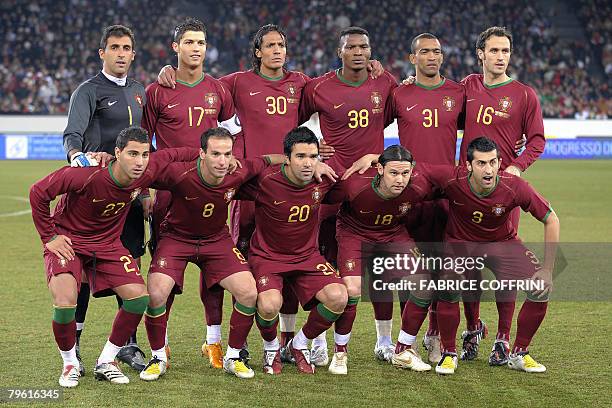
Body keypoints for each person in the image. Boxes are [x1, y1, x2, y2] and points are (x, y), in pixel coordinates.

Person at [30, 126, 197, 387]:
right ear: (117, 153)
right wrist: (49, 237)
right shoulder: (87, 173)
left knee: (138, 298)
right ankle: (70, 362)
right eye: (132, 154)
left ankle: (106, 360)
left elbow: (177, 154)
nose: (139, 161)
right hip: (69, 241)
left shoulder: (147, 170)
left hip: (107, 244)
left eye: (144, 154)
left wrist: (209, 154)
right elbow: (38, 192)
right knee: (65, 301)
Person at [298, 26, 398, 365]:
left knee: (381, 271)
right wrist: (312, 148)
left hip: (373, 190)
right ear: (340, 51)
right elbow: (288, 123)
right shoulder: (318, 87)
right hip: (331, 186)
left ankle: (384, 340)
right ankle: (320, 340)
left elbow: (411, 112)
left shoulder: (385, 83)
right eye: (351, 46)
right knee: (324, 263)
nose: (358, 51)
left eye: (364, 46)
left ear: (371, 51)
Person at [141, 17, 237, 369]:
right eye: (190, 42)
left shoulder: (219, 89)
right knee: (164, 276)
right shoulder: (157, 91)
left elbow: (231, 138)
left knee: (213, 271)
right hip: (169, 197)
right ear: (176, 48)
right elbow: (143, 146)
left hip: (211, 191)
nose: (197, 48)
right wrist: (146, 190)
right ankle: (160, 345)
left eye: (202, 42)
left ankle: (212, 342)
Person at [424, 137, 558, 375]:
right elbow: (414, 168)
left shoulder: (514, 185)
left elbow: (551, 219)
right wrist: (375, 158)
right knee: (447, 285)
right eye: (481, 163)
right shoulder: (452, 180)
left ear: (500, 163)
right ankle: (449, 353)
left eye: (493, 163)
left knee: (541, 287)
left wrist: (547, 269)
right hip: (460, 245)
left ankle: (519, 352)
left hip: (502, 244)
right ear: (468, 166)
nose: (488, 170)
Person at [62, 24, 149, 374]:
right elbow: (72, 136)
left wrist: (144, 189)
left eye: (126, 47)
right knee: (81, 272)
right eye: (114, 47)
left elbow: (147, 143)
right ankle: (77, 344)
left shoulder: (141, 91)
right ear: (103, 53)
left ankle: (128, 345)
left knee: (130, 263)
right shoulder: (87, 91)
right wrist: (78, 159)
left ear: (132, 52)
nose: (121, 53)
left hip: (129, 194)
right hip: (93, 195)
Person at [459, 26, 546, 364]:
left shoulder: (524, 94)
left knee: (505, 267)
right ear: (480, 53)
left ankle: (503, 338)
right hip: (467, 189)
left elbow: (537, 139)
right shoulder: (467, 86)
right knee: (468, 266)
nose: (499, 57)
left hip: (503, 192)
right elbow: (439, 107)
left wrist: (517, 167)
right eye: (493, 51)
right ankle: (472, 328)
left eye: (505, 51)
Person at [236, 127, 346, 375]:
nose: (308, 163)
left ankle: (297, 344)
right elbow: (230, 178)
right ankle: (272, 347)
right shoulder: (266, 180)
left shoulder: (325, 179)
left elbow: (355, 183)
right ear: (286, 157)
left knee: (339, 297)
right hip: (267, 257)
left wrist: (369, 158)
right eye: (301, 157)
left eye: (313, 157)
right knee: (268, 305)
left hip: (307, 257)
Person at [323, 145, 434, 374]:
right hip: (354, 234)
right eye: (393, 173)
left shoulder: (419, 184)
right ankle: (340, 353)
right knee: (351, 290)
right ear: (380, 169)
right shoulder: (355, 184)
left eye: (405, 173)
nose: (400, 179)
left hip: (393, 234)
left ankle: (403, 350)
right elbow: (322, 196)